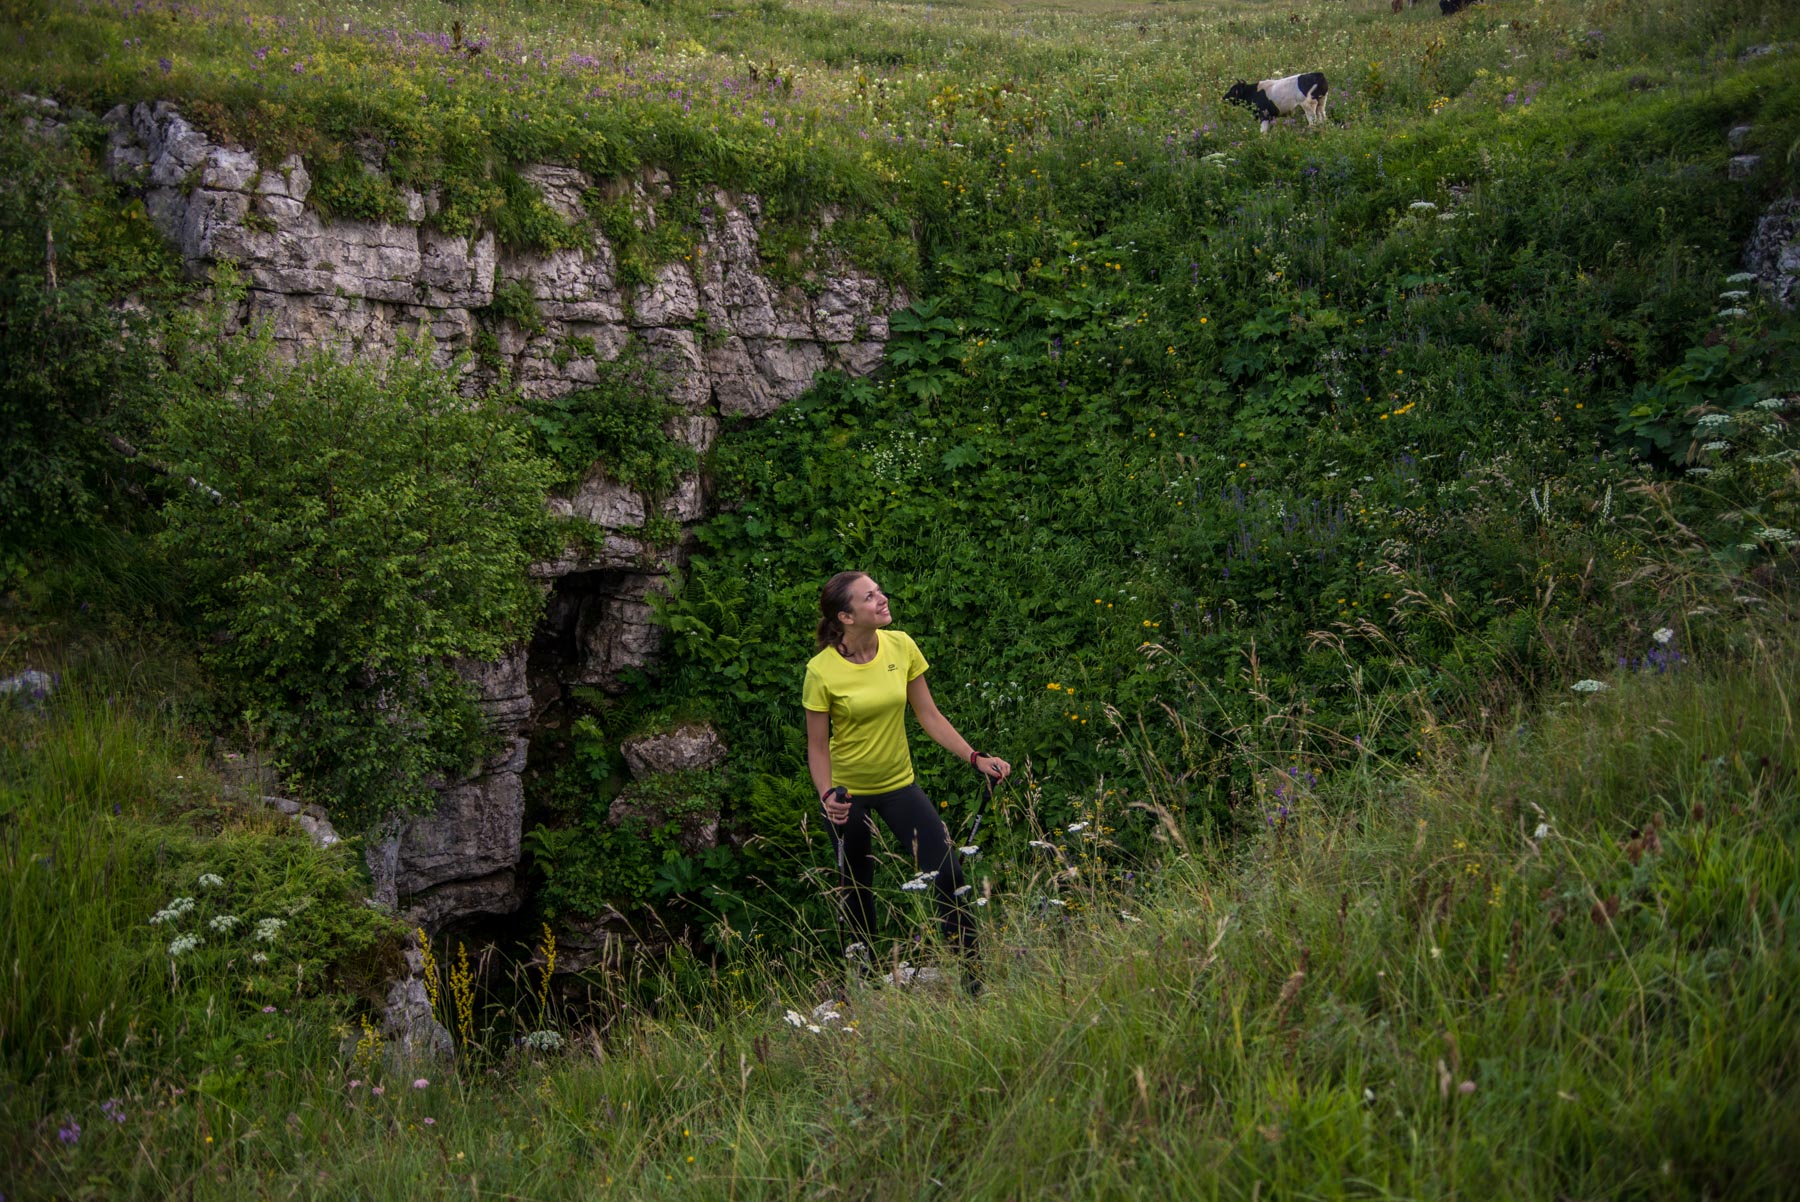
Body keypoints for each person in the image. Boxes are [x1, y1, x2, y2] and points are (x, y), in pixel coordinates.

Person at [803, 570, 1011, 994]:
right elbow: (818, 747)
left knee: (949, 873)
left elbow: (928, 714)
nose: (882, 599)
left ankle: (974, 981)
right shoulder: (821, 671)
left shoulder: (901, 645)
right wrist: (827, 796)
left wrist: (974, 756)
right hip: (847, 797)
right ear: (846, 616)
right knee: (857, 889)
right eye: (869, 596)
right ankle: (863, 987)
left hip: (899, 786)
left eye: (879, 591)